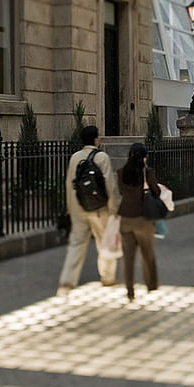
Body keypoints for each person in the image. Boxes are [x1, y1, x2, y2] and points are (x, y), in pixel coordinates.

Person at [57, 124, 119, 296]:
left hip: (78, 207)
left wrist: (70, 208)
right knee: (104, 242)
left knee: (76, 244)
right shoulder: (102, 157)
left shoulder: (75, 157)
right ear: (96, 139)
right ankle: (107, 278)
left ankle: (67, 281)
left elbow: (70, 185)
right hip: (99, 209)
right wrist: (113, 209)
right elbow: (109, 186)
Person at [117, 142, 160, 302]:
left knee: (128, 258)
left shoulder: (121, 172)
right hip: (143, 219)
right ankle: (151, 285)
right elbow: (156, 191)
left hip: (126, 218)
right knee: (148, 253)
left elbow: (121, 191)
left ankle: (130, 290)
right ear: (144, 157)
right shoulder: (147, 173)